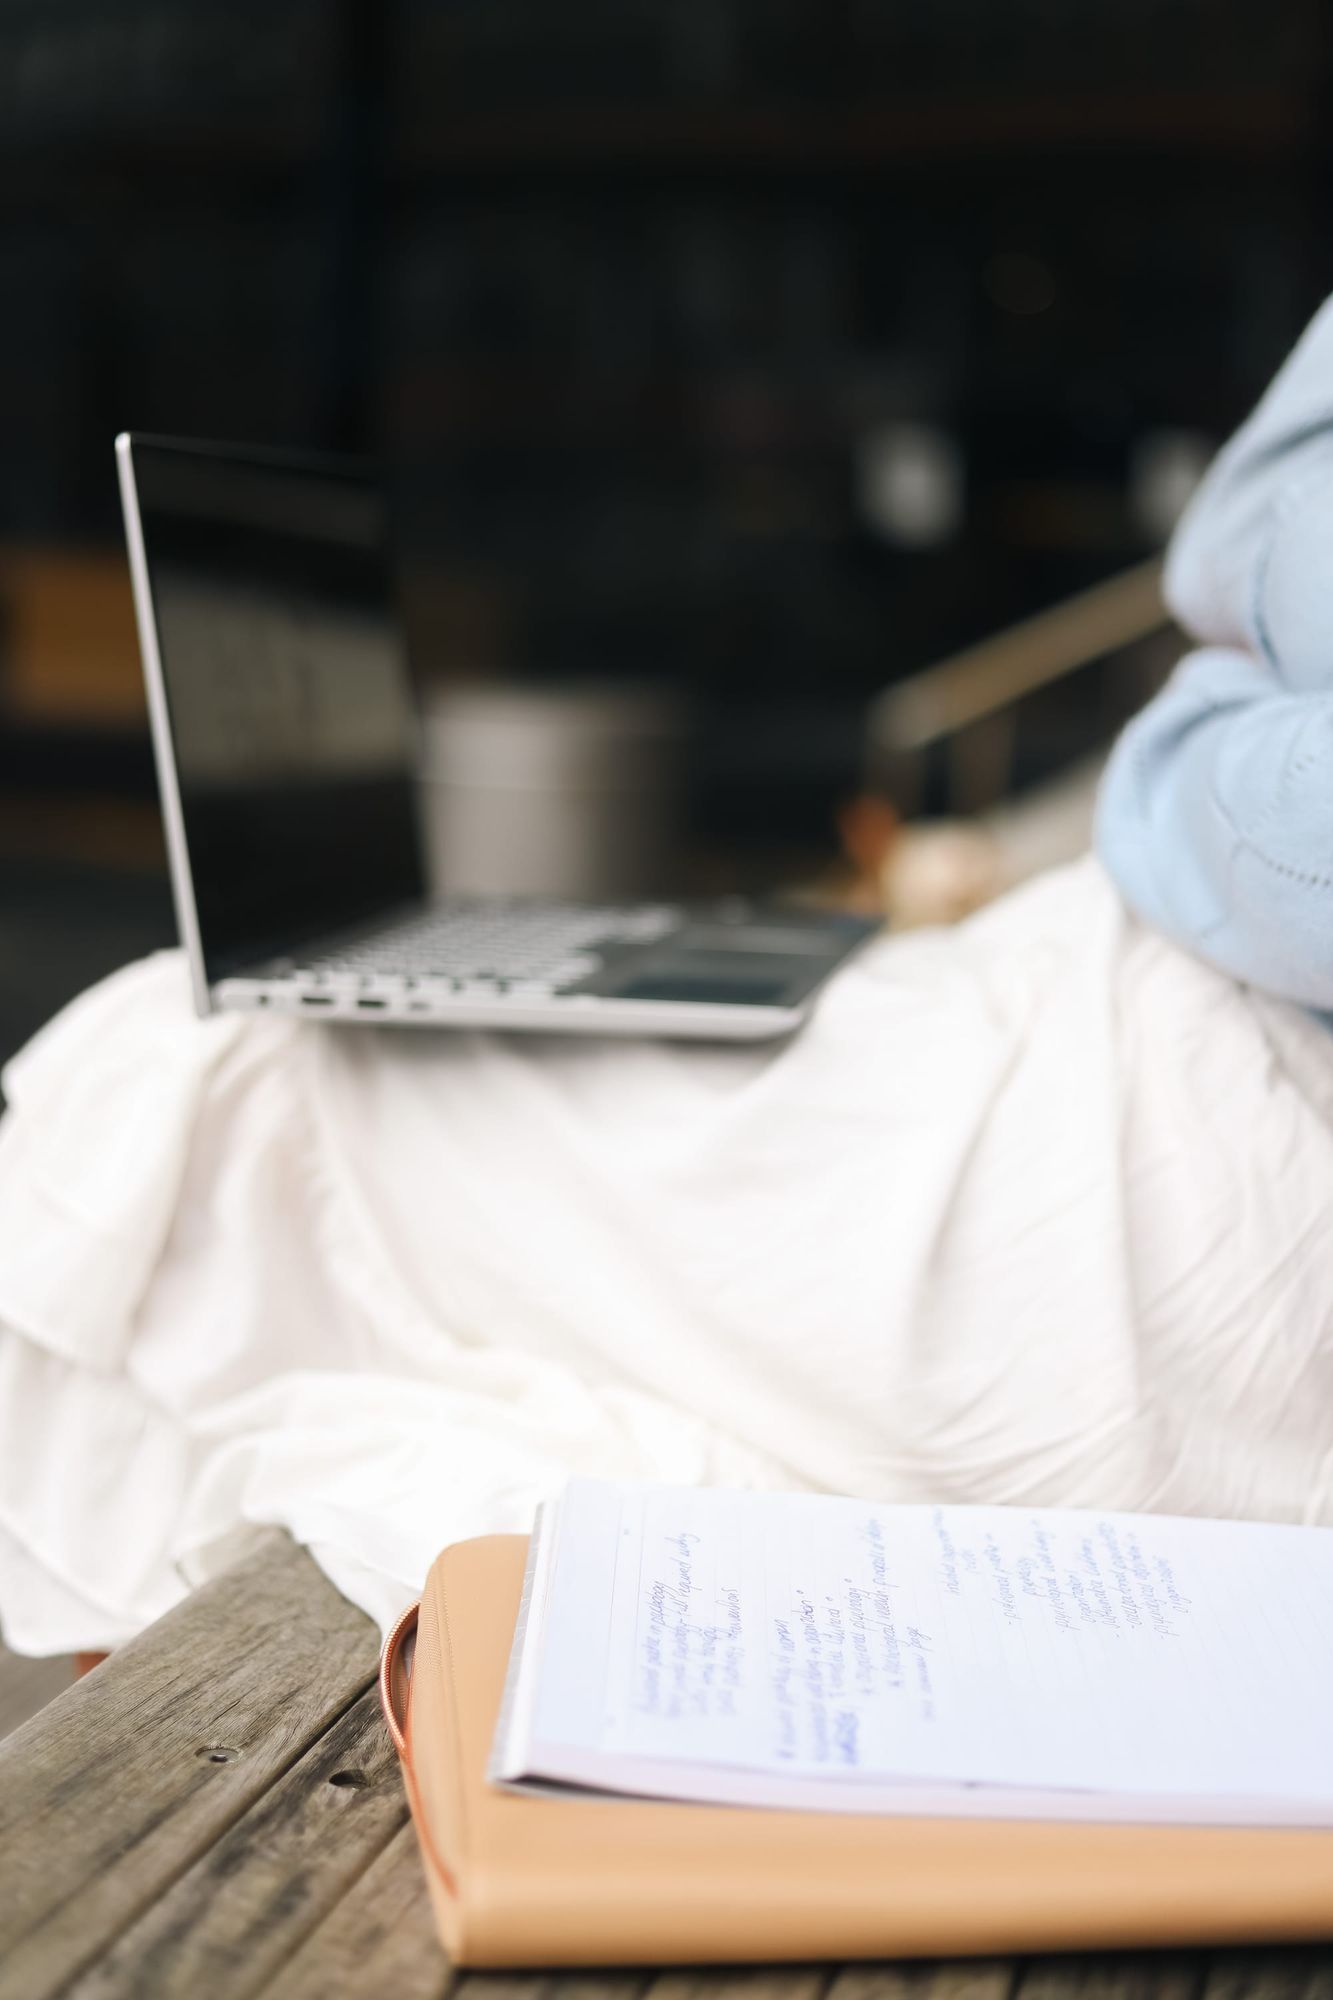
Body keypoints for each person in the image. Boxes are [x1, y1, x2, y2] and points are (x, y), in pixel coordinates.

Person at [2, 303, 1333, 1661]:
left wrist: (1187, 739)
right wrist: (1203, 730)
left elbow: (1237, 706)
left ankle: (152, 1816)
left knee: (208, 1070)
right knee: (236, 1051)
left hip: (1209, 1149)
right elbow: (1227, 546)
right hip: (1137, 992)